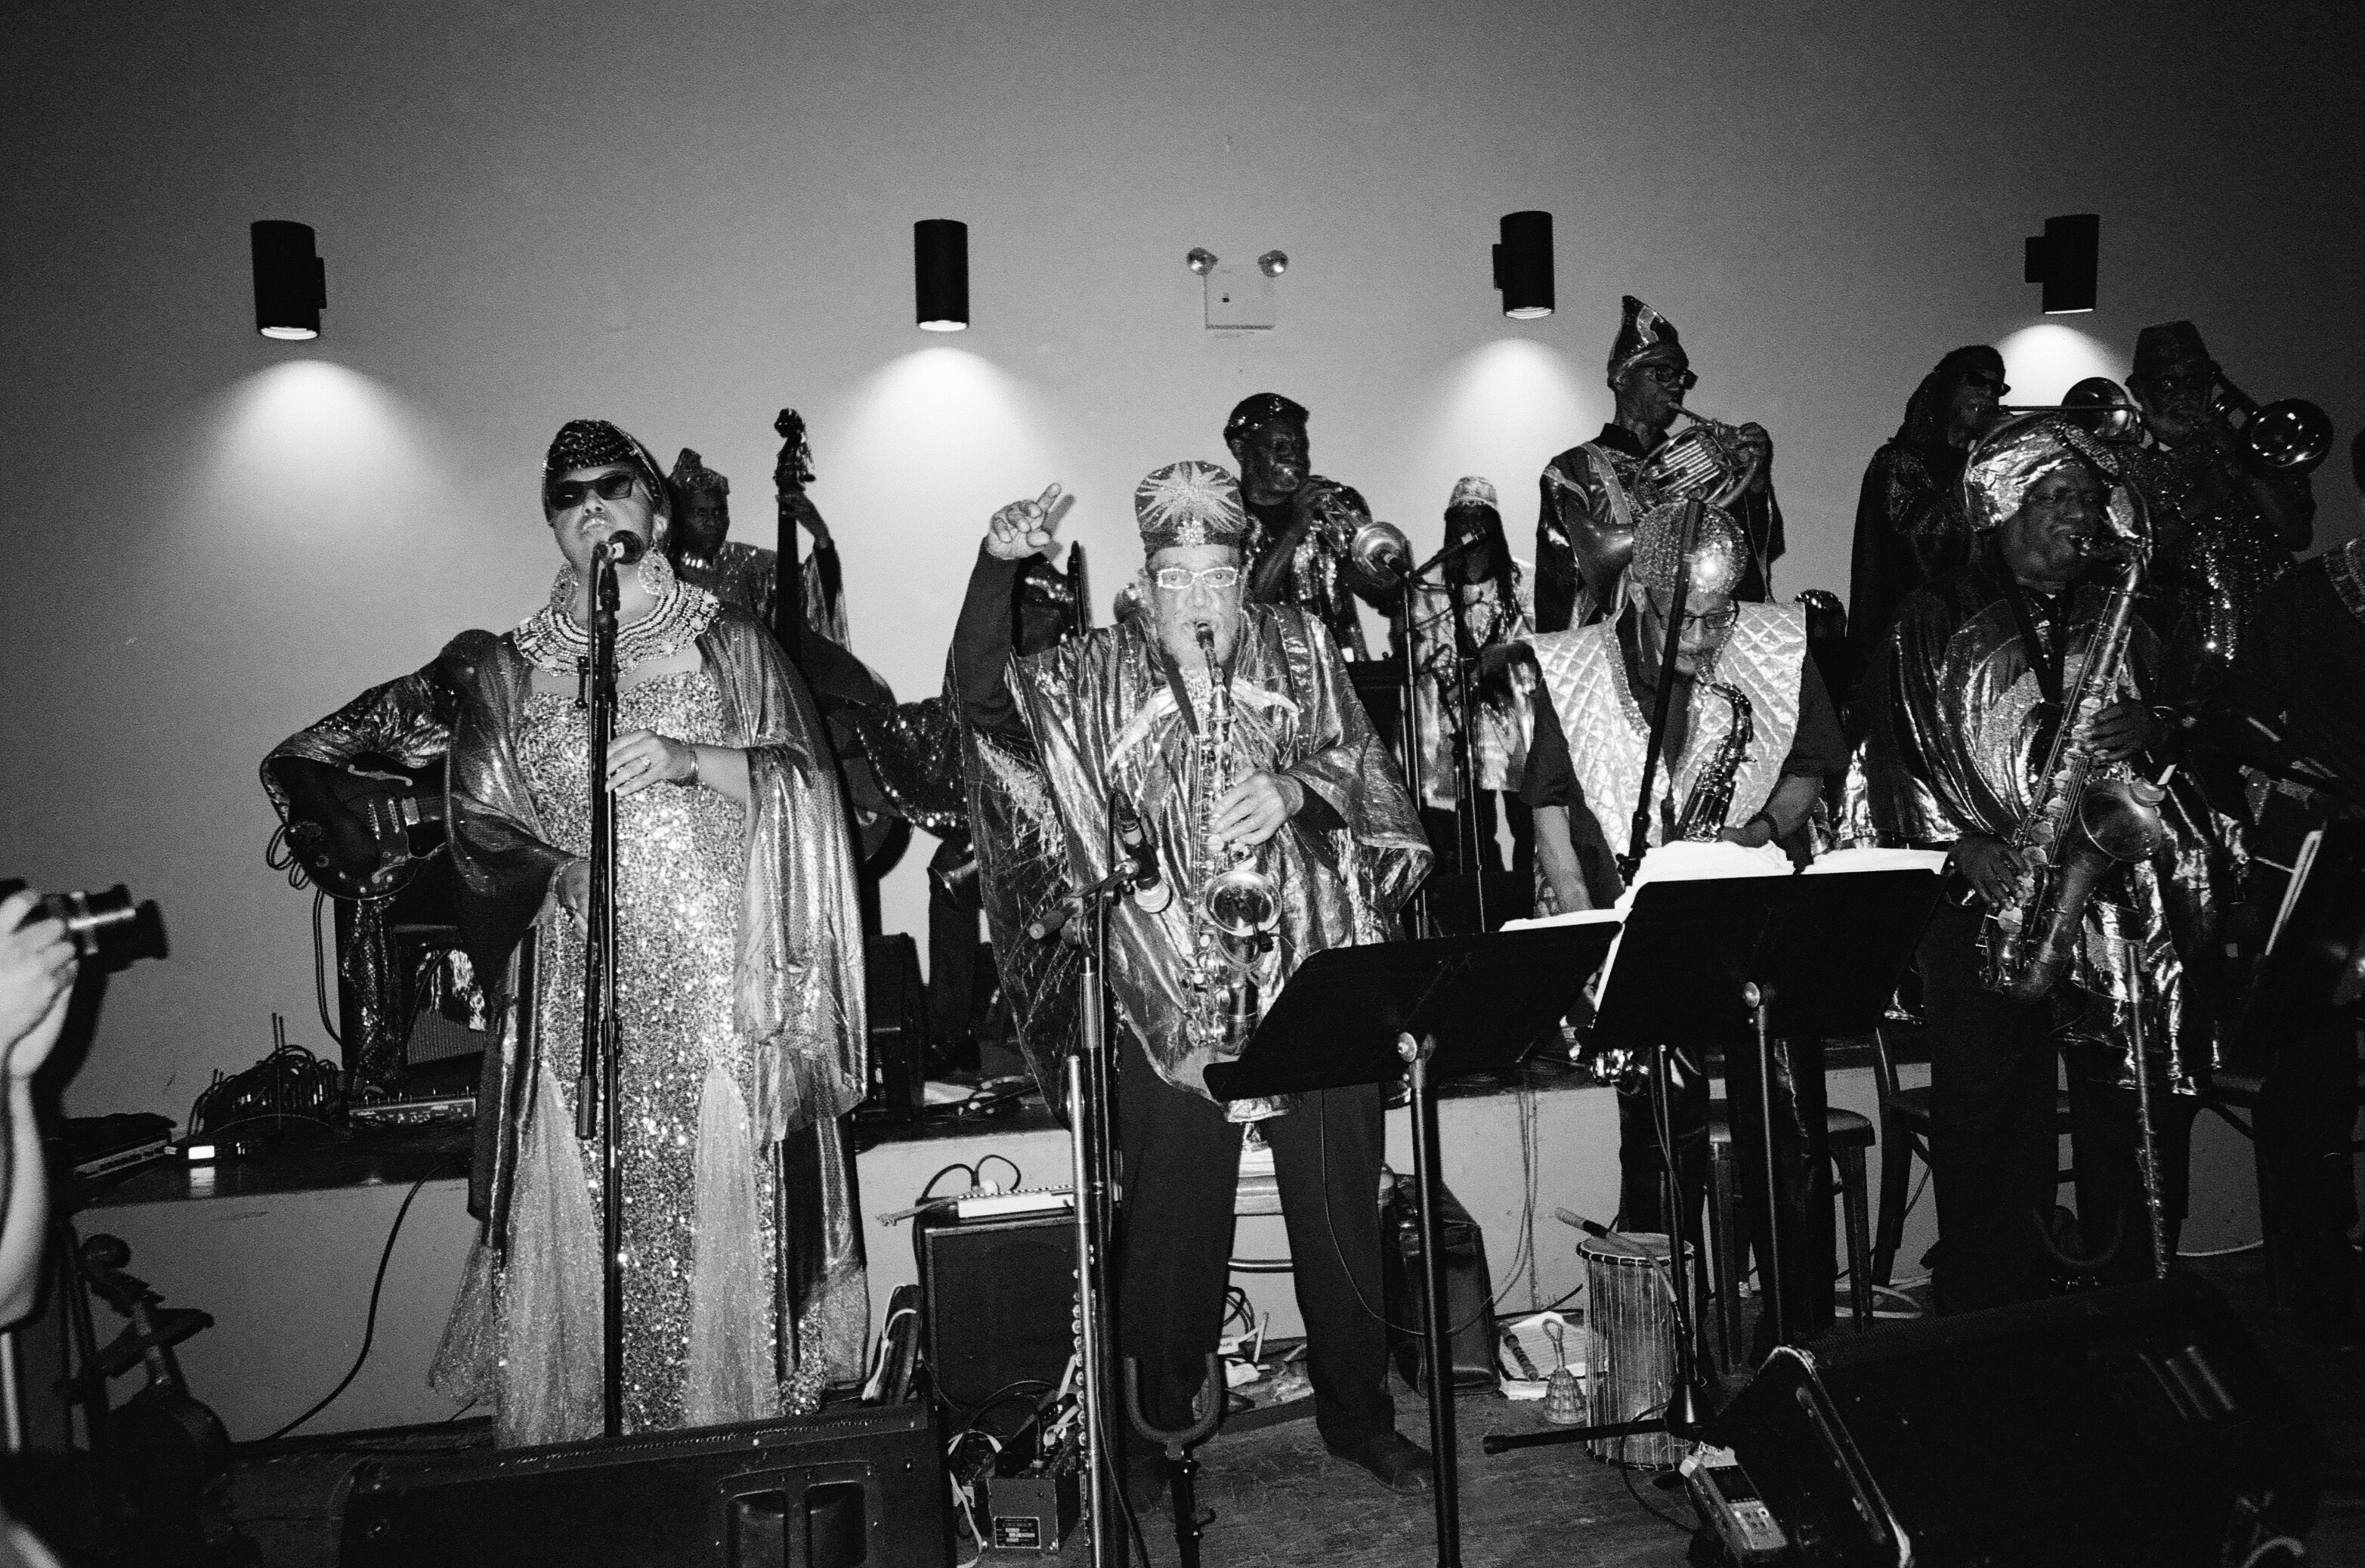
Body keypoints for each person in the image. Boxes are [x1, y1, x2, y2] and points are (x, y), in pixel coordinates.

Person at [954, 462, 1435, 1498]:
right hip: (1166, 981)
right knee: (1170, 1223)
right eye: (1175, 576)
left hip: (1309, 962)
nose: (1198, 599)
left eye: (1216, 573)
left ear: (1240, 575)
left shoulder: (1301, 645)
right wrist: (996, 569)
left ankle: (1359, 1411)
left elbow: (1373, 778)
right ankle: (1151, 1426)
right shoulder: (1095, 668)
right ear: (1144, 579)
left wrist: (1295, 785)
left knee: (1341, 1202)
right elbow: (984, 700)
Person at [427, 419, 870, 1445]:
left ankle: (730, 1446)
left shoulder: (730, 642)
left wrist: (686, 755)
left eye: (613, 488)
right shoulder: (509, 667)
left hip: (718, 972)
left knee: (715, 1203)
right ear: (554, 522)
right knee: (589, 1201)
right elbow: (477, 827)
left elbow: (806, 787)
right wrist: (559, 868)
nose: (593, 508)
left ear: (653, 509)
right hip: (575, 984)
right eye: (568, 495)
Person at [1847, 416, 2223, 1313]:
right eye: (2060, 499)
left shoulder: (2130, 604)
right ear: (2004, 509)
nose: (2081, 518)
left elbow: (2205, 721)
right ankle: (1990, 1302)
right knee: (1987, 1112)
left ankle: (2129, 1290)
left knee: (2123, 1096)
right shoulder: (1930, 614)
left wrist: (2159, 726)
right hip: (1988, 895)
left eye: (2092, 501)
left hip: (2113, 894)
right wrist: (1956, 844)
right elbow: (1888, 752)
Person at [1521, 501, 1850, 1347]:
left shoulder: (1772, 644)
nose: (1708, 638)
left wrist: (1763, 830)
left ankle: (1799, 1344)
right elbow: (1551, 819)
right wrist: (1591, 946)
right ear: (1641, 597)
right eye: (1689, 621)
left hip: (1752, 913)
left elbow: (1810, 761)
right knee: (1662, 1153)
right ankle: (1655, 1361)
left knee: (1790, 1138)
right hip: (1637, 923)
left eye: (1720, 616)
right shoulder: (1577, 666)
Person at [2209, 531, 2365, 1341]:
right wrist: (2311, 778)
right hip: (2328, 846)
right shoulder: (2303, 597)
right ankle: (2320, 1267)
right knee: (2312, 1066)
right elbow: (2240, 711)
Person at [1535, 295, 1781, 633]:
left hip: (1696, 631)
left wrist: (1754, 481)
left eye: (1682, 377)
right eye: (1662, 373)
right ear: (1622, 377)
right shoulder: (1572, 469)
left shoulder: (1709, 463)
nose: (1677, 386)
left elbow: (1742, 554)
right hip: (1615, 639)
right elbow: (1560, 584)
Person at [2121, 320, 2314, 682]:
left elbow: (2296, 534)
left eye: (2193, 381)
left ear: (2211, 383)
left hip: (2271, 631)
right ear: (2139, 391)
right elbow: (2127, 554)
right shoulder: (2125, 461)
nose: (2181, 394)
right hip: (2176, 642)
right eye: (2166, 383)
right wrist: (2202, 500)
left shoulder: (2255, 448)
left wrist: (2235, 453)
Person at [1844, 346, 2009, 707]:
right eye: (1977, 382)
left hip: (1972, 640)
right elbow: (1925, 543)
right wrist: (1984, 457)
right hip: (1909, 647)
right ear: (1947, 388)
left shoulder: (1983, 468)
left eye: (1997, 388)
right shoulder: (1898, 462)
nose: (1989, 395)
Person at [1413, 477, 1538, 875]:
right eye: (1461, 517)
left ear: (1494, 523)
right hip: (1459, 721)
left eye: (1480, 516)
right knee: (1473, 827)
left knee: (1527, 821)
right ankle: (1488, 906)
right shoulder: (1429, 585)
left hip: (1515, 717)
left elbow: (1546, 641)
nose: (1470, 525)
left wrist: (1509, 652)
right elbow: (1419, 652)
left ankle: (1528, 896)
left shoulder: (1524, 579)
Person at [1224, 393, 1392, 659]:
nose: (1296, 457)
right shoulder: (1224, 517)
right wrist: (1296, 528)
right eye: (1280, 447)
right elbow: (1246, 610)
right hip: (1261, 673)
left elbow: (1375, 592)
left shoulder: (1333, 502)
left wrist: (1387, 575)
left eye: (1301, 447)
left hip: (1336, 671)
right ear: (1241, 450)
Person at [667, 444, 848, 644]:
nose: (713, 522)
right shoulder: (660, 570)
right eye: (700, 513)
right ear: (676, 517)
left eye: (720, 512)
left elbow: (810, 598)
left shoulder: (751, 563)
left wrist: (820, 534)